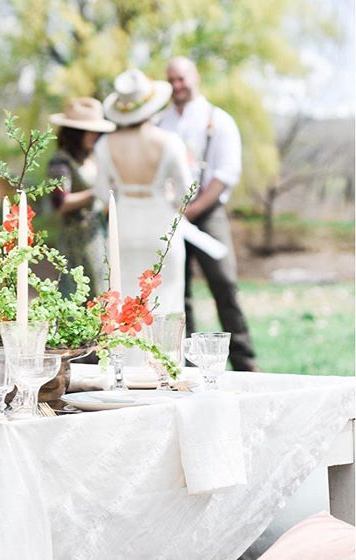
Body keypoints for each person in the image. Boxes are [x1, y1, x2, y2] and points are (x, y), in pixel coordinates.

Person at [158, 56, 258, 371]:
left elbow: (225, 174)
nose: (177, 86)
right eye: (171, 80)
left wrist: (194, 209)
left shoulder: (219, 120)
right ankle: (185, 365)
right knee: (177, 290)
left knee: (224, 283)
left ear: (195, 77)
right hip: (171, 217)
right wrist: (173, 212)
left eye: (181, 79)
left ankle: (244, 360)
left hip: (208, 213)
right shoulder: (161, 124)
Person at [93, 69, 192, 314]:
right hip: (161, 225)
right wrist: (167, 197)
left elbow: (101, 193)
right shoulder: (169, 142)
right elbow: (186, 193)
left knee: (122, 298)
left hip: (123, 225)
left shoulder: (104, 144)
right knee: (165, 303)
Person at [47, 97, 115, 298]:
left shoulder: (91, 157)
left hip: (97, 234)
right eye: (91, 131)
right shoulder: (60, 161)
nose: (95, 136)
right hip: (76, 240)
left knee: (103, 290)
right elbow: (61, 203)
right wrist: (96, 192)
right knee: (79, 293)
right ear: (76, 133)